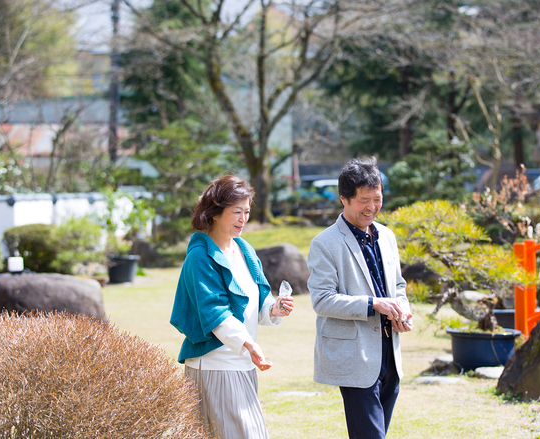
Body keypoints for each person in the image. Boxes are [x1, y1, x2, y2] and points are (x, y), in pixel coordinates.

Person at [170, 174, 294, 439]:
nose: (243, 219)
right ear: (215, 213)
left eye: (247, 212)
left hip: (242, 363)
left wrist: (274, 309)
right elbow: (215, 312)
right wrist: (248, 344)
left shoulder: (244, 249)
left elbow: (257, 298)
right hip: (215, 364)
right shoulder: (200, 257)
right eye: (236, 211)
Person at [307, 157, 412, 439]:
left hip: (391, 351)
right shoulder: (324, 243)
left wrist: (403, 310)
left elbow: (398, 285)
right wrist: (372, 304)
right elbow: (322, 300)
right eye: (364, 200)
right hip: (355, 357)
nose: (372, 207)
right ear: (344, 199)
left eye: (377, 199)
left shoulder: (387, 236)